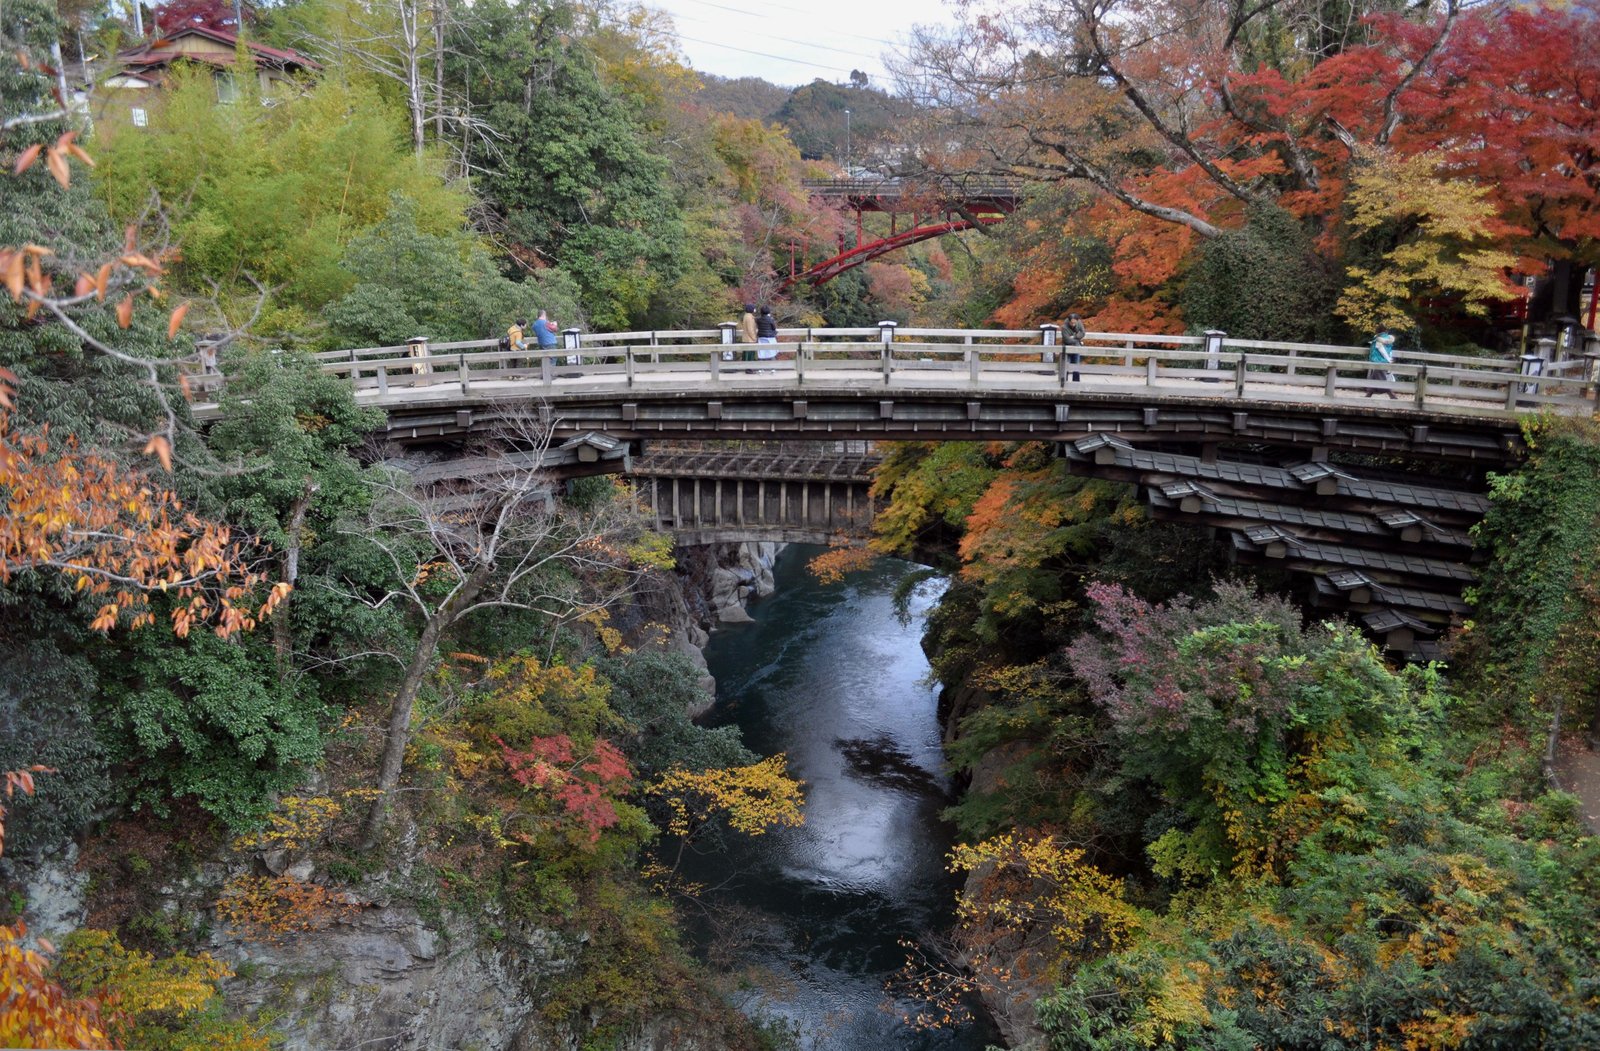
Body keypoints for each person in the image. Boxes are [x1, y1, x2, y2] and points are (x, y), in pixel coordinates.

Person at [1366, 331, 1397, 397]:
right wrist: (1389, 359)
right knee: (1377, 371)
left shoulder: (1377, 339)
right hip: (1384, 360)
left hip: (1380, 360)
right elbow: (1388, 351)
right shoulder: (1388, 340)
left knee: (1377, 371)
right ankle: (1388, 391)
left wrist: (1389, 359)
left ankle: (1372, 391)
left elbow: (1383, 351)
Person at [1063, 312, 1086, 382]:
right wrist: (1077, 339)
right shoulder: (1064, 326)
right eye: (1071, 323)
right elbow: (1067, 339)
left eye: (1074, 323)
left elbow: (1083, 333)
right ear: (1069, 321)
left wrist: (1074, 336)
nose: (1073, 324)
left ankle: (1076, 383)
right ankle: (1064, 382)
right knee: (1066, 365)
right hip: (1067, 347)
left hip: (1076, 347)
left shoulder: (1079, 323)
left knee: (1076, 365)